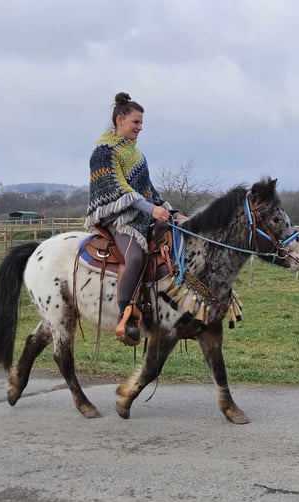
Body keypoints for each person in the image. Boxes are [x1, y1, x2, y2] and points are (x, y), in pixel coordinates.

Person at [86, 92, 180, 345]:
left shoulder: (135, 153)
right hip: (117, 217)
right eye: (136, 122)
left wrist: (171, 212)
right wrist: (150, 210)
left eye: (141, 123)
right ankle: (125, 315)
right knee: (136, 255)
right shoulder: (104, 152)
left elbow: (149, 189)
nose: (140, 128)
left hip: (141, 213)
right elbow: (118, 190)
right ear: (120, 119)